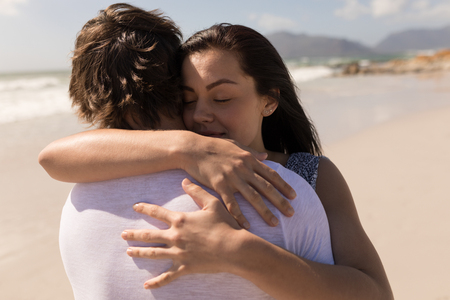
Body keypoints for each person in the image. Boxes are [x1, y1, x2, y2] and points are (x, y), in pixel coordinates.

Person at [46, 3, 335, 299]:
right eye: (188, 99)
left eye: (222, 97)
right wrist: (187, 146)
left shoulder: (77, 206)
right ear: (172, 87)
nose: (200, 115)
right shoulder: (287, 197)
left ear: (269, 100)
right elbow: (51, 157)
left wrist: (236, 251)